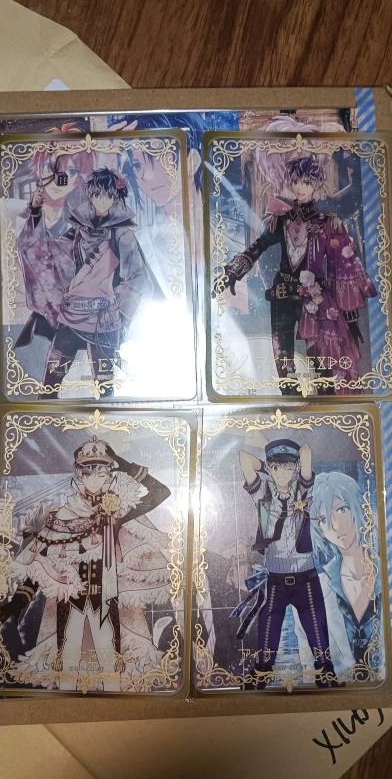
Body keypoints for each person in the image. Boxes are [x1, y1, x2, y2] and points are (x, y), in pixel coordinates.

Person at [0, 437, 172, 692]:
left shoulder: (116, 512)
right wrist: (19, 600)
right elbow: (44, 561)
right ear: (79, 473)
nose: (94, 477)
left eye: (101, 470)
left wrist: (122, 463)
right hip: (70, 607)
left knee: (112, 678)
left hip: (108, 604)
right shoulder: (61, 516)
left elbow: (160, 492)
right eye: (88, 470)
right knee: (68, 677)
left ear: (109, 473)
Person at [213, 153, 377, 395]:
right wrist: (232, 272)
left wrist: (350, 316)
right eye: (297, 181)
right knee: (284, 366)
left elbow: (342, 266)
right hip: (282, 295)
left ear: (316, 184)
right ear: (290, 182)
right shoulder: (279, 220)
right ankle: (291, 404)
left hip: (314, 299)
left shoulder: (327, 223)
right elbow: (257, 247)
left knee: (322, 367)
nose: (301, 187)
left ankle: (325, 407)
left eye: (307, 182)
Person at [16, 167, 156, 396]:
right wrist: (35, 213)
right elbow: (47, 253)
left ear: (115, 197)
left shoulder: (123, 234)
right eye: (97, 194)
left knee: (105, 390)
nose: (102, 200)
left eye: (108, 195)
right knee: (50, 386)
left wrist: (118, 309)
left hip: (104, 320)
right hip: (71, 316)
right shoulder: (79, 230)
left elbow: (138, 277)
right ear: (90, 195)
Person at [233, 439, 339, 689]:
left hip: (306, 579)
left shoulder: (303, 491)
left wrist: (292, 466)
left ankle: (325, 675)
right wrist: (266, 467)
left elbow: (307, 451)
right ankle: (260, 676)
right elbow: (243, 457)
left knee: (317, 630)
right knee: (268, 632)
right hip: (276, 581)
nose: (282, 473)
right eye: (276, 467)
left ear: (295, 468)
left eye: (288, 467)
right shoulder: (262, 493)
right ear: (270, 468)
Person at [310, 471, 381, 671]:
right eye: (323, 518)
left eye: (342, 510)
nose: (335, 525)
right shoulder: (315, 591)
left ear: (358, 507)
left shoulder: (385, 571)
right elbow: (311, 672)